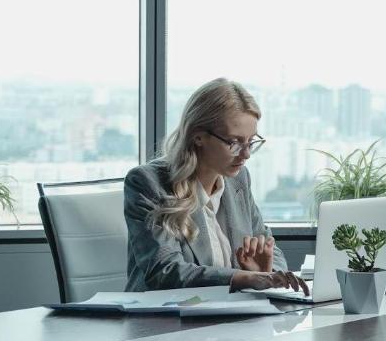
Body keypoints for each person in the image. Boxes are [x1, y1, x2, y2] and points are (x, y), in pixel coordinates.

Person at [124, 77, 308, 294]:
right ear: (198, 137)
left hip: (226, 316)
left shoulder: (238, 179)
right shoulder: (148, 183)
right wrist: (244, 278)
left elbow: (268, 244)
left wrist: (268, 274)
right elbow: (165, 272)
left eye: (251, 142)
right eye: (235, 142)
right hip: (162, 320)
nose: (246, 154)